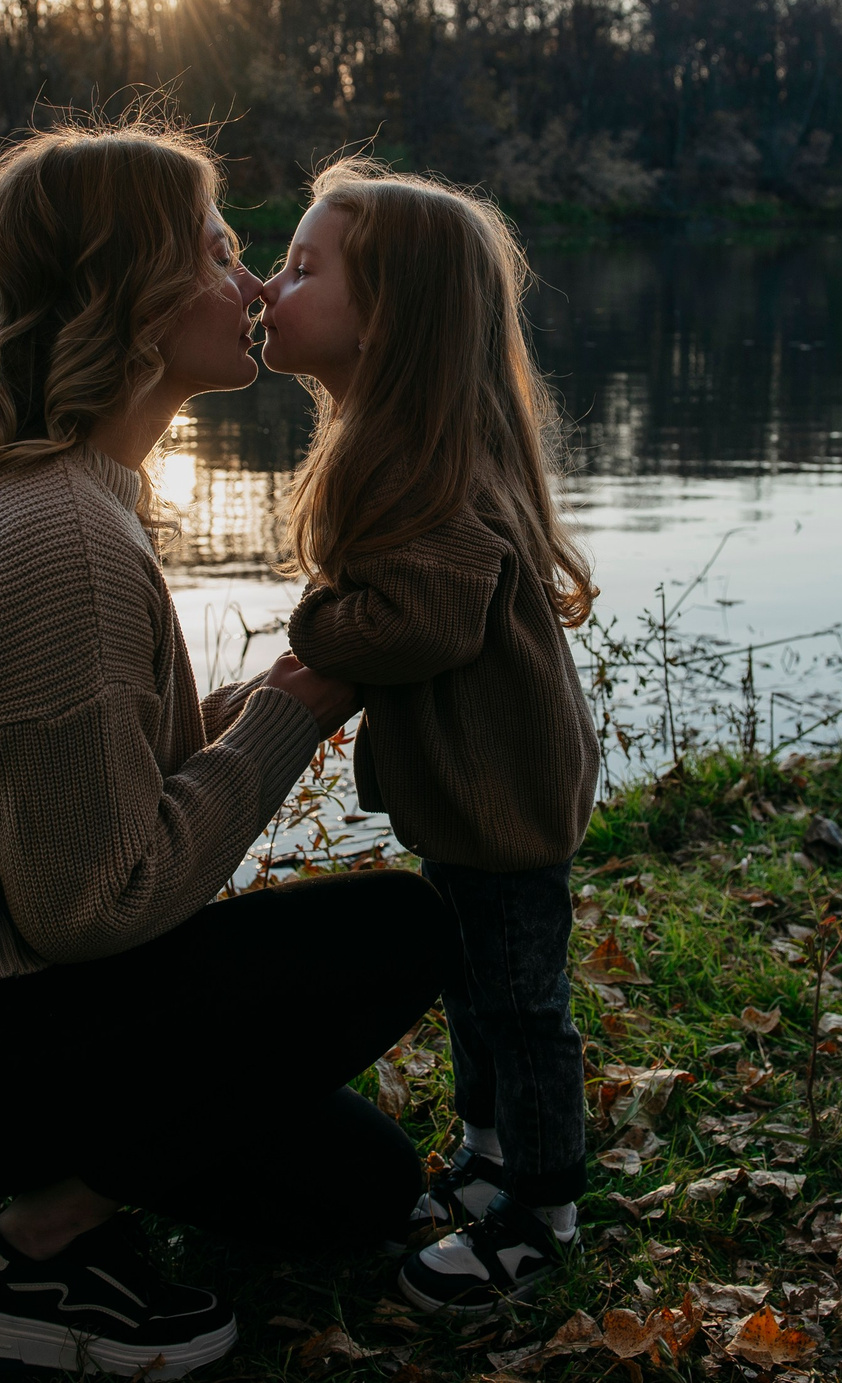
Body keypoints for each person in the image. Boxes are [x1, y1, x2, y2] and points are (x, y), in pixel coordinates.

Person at [0, 121, 452, 1379]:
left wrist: (258, 698)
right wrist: (291, 718)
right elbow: (95, 905)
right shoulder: (58, 538)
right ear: (126, 297)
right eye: (216, 250)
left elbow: (78, 782)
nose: (254, 286)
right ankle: (27, 1259)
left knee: (353, 1190)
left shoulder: (49, 490)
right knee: (397, 933)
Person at [255, 160, 600, 1310]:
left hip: (502, 803)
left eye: (303, 268)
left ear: (388, 316)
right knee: (474, 983)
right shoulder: (411, 444)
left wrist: (314, 618)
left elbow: (421, 623)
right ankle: (491, 1150)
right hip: (473, 796)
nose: (268, 284)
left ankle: (540, 1206)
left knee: (517, 999)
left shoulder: (433, 469)